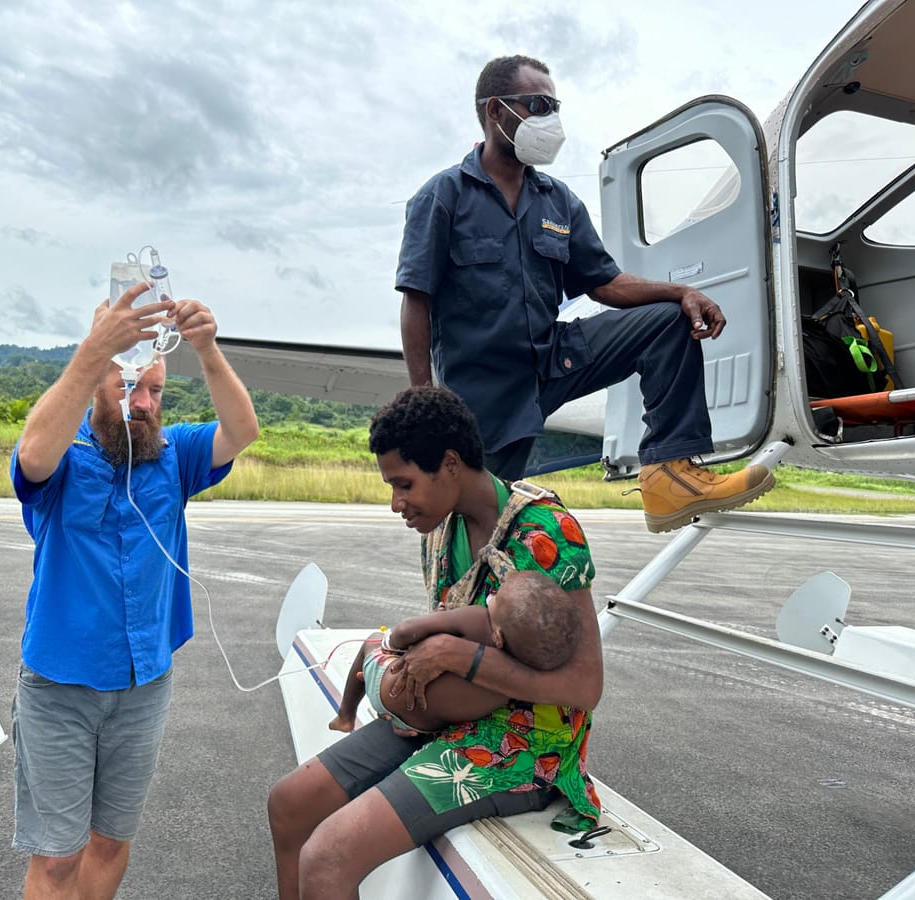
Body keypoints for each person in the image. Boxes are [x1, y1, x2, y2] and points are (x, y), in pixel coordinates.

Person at [395, 54, 776, 534]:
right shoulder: (443, 196)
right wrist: (424, 400)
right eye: (538, 105)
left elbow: (607, 284)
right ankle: (465, 601)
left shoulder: (558, 202)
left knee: (665, 320)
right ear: (496, 111)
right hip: (483, 390)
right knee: (480, 525)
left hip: (554, 361)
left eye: (555, 107)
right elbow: (417, 301)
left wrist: (681, 290)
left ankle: (669, 475)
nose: (551, 120)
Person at [268, 385, 602, 899]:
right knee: (289, 805)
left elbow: (584, 686)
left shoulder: (546, 532)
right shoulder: (441, 531)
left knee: (329, 855)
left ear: (449, 464)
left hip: (522, 745)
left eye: (404, 484)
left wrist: (462, 658)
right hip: (447, 718)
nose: (395, 503)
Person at [9, 281, 259, 900]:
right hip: (60, 689)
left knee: (112, 842)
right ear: (98, 387)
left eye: (153, 390)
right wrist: (95, 350)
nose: (142, 402)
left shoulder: (176, 456)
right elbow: (33, 454)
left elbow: (242, 429)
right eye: (127, 386)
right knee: (58, 859)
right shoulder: (64, 460)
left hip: (144, 685)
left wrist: (208, 351)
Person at [330, 570, 581, 735]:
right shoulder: (508, 685)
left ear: (498, 637)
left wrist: (392, 644)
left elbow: (408, 630)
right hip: (423, 726)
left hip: (390, 689)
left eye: (496, 598)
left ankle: (345, 715)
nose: (490, 597)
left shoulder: (479, 620)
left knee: (371, 641)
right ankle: (398, 722)